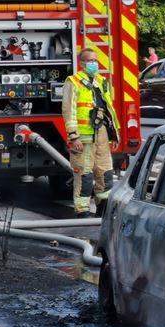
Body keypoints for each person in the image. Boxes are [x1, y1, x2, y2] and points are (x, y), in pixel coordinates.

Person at [62, 48, 120, 218]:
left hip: (101, 135)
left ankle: (102, 210)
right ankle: (83, 212)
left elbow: (108, 109)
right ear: (81, 63)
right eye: (90, 61)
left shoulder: (101, 82)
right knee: (85, 176)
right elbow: (68, 111)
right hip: (83, 138)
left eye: (95, 60)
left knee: (105, 175)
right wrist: (74, 136)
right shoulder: (72, 82)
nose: (94, 64)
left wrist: (114, 134)